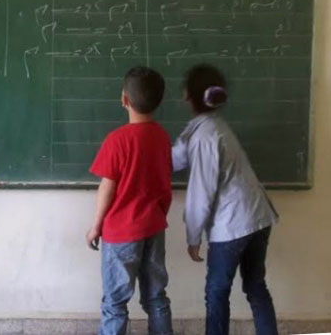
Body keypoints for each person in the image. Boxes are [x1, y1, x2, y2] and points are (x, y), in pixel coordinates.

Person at [173, 64, 278, 335]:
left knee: (217, 292)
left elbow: (201, 193)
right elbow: (177, 156)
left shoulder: (205, 136)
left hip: (233, 225)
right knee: (255, 286)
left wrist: (193, 237)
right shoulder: (212, 126)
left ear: (191, 96)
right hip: (258, 217)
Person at [86, 66, 173, 335]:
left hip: (121, 231)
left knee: (115, 302)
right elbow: (164, 182)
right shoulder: (162, 137)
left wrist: (96, 225)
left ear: (124, 99)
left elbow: (107, 188)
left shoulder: (117, 141)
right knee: (156, 297)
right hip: (153, 228)